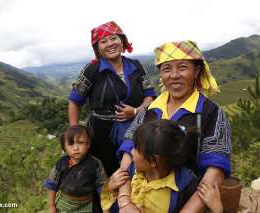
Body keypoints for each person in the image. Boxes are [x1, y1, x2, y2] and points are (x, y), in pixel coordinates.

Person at [116, 40, 231, 212]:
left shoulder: (211, 113)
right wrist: (125, 200)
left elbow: (214, 171)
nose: (174, 75)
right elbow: (129, 148)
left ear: (197, 70)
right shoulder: (150, 109)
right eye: (167, 69)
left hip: (184, 201)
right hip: (139, 199)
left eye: (183, 67)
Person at [68, 21, 156, 177]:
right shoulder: (92, 69)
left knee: (135, 171)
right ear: (98, 48)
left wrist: (136, 111)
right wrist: (75, 133)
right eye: (103, 41)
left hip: (136, 128)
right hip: (101, 132)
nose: (110, 44)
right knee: (106, 173)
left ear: (122, 41)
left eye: (113, 38)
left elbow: (149, 94)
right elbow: (75, 100)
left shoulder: (135, 65)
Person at [101, 120, 199, 212]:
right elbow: (113, 207)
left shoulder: (184, 186)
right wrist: (111, 189)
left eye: (136, 149)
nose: (131, 152)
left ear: (153, 161)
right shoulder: (130, 171)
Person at [44, 125, 107, 213]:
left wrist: (106, 207)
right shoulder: (61, 164)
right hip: (65, 203)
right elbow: (51, 185)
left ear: (88, 143)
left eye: (80, 142)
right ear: (64, 147)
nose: (76, 148)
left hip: (87, 204)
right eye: (71, 144)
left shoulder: (95, 164)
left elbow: (102, 187)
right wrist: (51, 205)